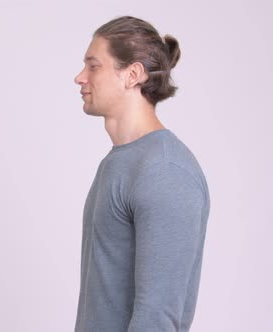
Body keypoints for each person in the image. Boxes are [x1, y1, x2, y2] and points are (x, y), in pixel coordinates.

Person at [73, 15, 210, 331]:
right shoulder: (119, 162)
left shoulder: (165, 171)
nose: (80, 77)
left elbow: (157, 319)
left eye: (93, 66)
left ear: (132, 74)